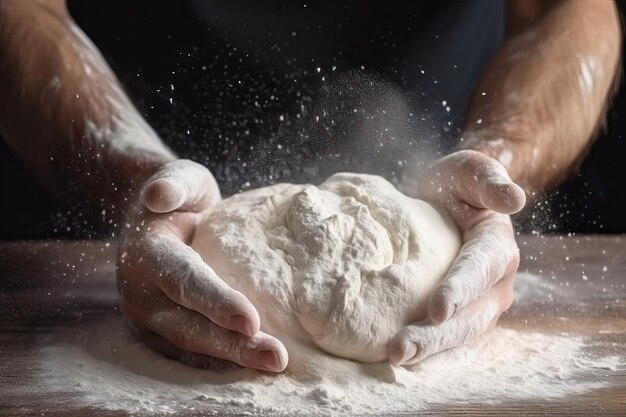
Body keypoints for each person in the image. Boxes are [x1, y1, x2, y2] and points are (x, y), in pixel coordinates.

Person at [0, 0, 620, 372]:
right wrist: (136, 177)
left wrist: (495, 164)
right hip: (125, 110)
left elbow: (566, 11)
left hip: (446, 130)